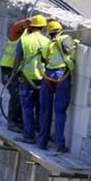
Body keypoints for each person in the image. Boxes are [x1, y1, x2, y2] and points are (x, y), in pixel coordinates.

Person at [38, 20, 78, 153]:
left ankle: (42, 142)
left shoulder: (47, 44)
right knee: (60, 112)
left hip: (47, 78)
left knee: (45, 111)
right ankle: (59, 145)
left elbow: (45, 58)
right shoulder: (65, 38)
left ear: (49, 33)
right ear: (60, 30)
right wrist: (76, 43)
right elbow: (70, 49)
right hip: (62, 77)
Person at [12, 15, 49, 144]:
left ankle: (28, 135)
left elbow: (18, 58)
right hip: (43, 79)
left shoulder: (25, 40)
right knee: (40, 108)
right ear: (43, 27)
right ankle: (41, 135)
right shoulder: (47, 41)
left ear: (31, 27)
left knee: (27, 107)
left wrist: (14, 72)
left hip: (26, 78)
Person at [0, 16, 32, 132]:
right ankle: (12, 122)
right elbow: (17, 26)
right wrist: (25, 23)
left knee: (20, 95)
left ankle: (18, 121)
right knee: (16, 94)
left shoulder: (29, 37)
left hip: (17, 70)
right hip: (8, 69)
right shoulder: (16, 34)